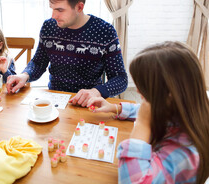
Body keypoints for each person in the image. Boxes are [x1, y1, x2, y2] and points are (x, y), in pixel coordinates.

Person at [86, 41, 209, 184]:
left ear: (168, 94)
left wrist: (142, 125)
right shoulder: (186, 109)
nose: (137, 91)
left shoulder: (184, 154)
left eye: (142, 85)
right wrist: (116, 108)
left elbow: (134, 181)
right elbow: (150, 110)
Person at [6, 0, 127, 105]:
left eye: (60, 10)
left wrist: (97, 91)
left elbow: (120, 78)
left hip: (88, 102)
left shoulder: (105, 31)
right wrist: (24, 75)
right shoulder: (49, 27)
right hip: (55, 100)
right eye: (52, 9)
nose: (53, 16)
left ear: (79, 7)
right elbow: (38, 62)